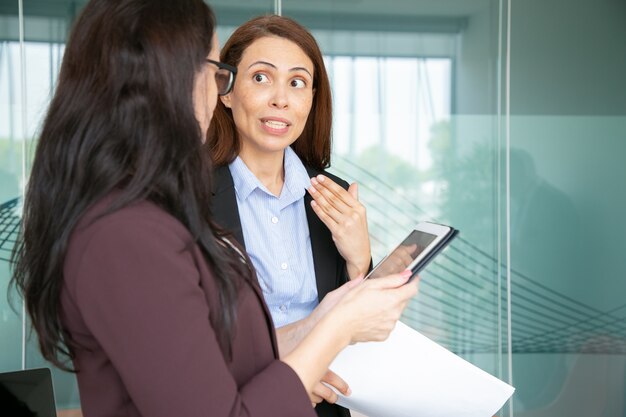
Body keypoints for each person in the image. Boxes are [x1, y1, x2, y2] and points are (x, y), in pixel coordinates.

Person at [10, 1, 418, 417]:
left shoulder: (152, 209)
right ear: (169, 79)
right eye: (216, 70)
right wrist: (339, 325)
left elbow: (212, 358)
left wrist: (328, 315)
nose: (219, 84)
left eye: (298, 83)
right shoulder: (129, 232)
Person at [207, 16, 372, 416]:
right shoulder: (187, 196)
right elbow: (185, 339)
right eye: (262, 78)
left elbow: (363, 328)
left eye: (297, 83)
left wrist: (359, 261)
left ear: (312, 99)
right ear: (226, 92)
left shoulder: (333, 195)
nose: (281, 99)